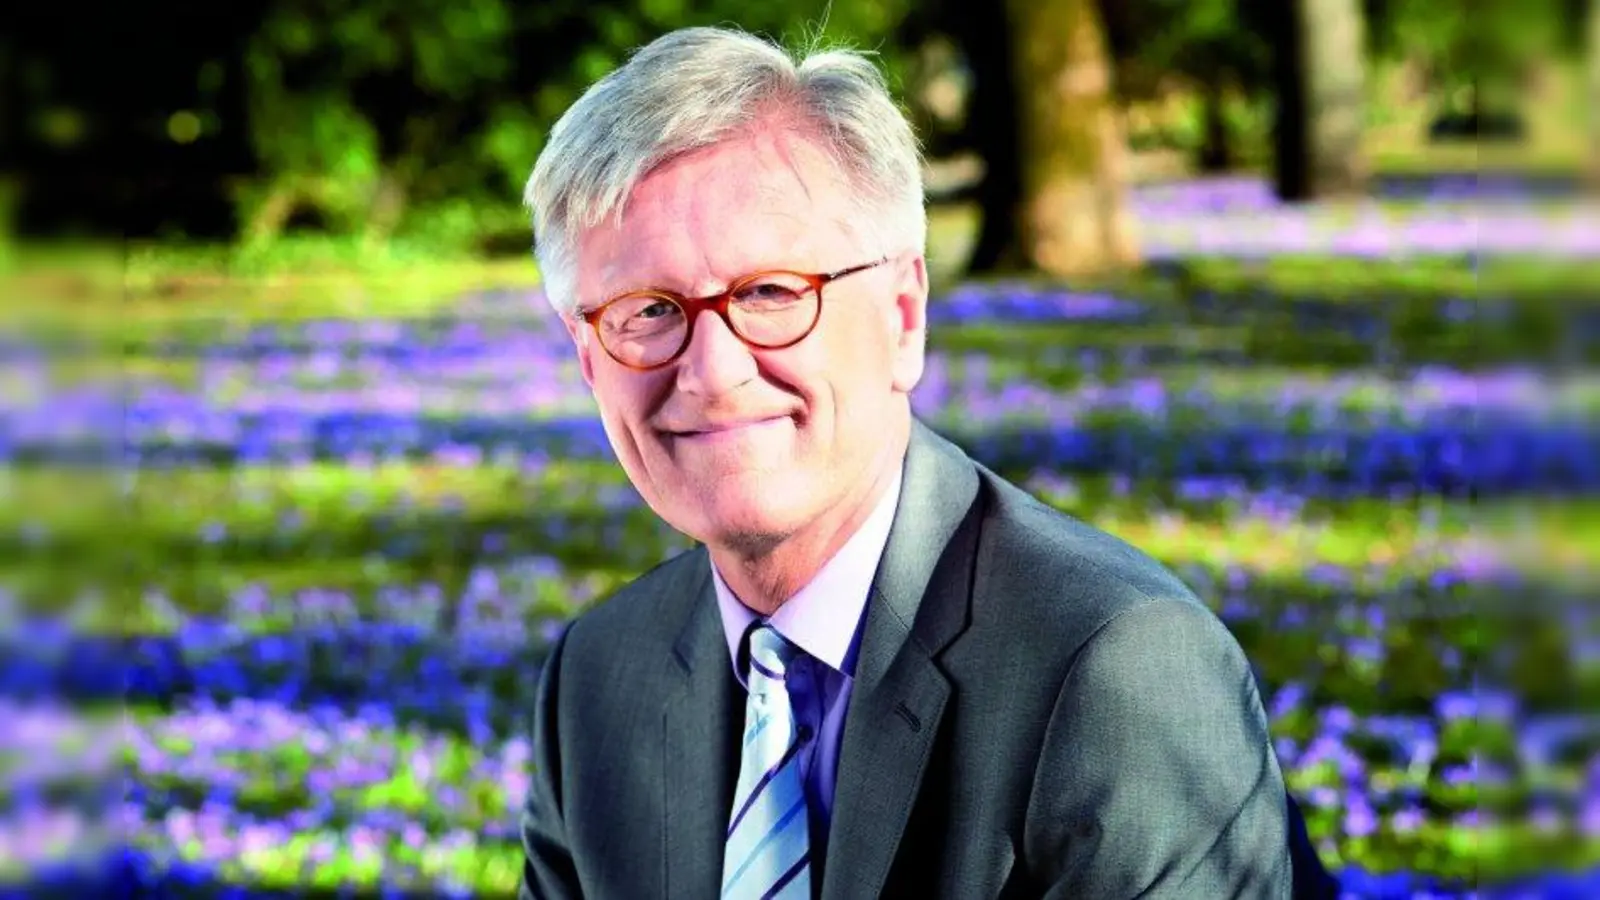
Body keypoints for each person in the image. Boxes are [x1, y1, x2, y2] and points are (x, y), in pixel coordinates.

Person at [519, 24, 1332, 900]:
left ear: (903, 317)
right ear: (588, 357)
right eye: (647, 310)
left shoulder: (1115, 672)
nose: (713, 372)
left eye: (770, 293)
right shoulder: (599, 677)